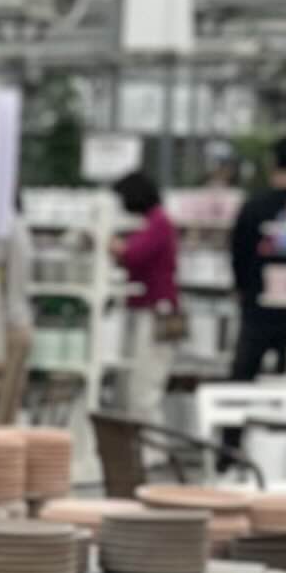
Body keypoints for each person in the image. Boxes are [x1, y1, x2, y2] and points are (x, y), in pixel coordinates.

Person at [228, 130, 286, 384]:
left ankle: (235, 411)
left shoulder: (253, 205)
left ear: (273, 163)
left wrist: (241, 288)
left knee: (243, 376)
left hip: (258, 301)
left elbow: (238, 252)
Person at [110, 165, 182, 420]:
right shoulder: (154, 221)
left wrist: (107, 241)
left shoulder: (159, 222)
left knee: (145, 390)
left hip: (158, 313)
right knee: (139, 387)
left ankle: (150, 445)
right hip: (157, 310)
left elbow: (133, 254)